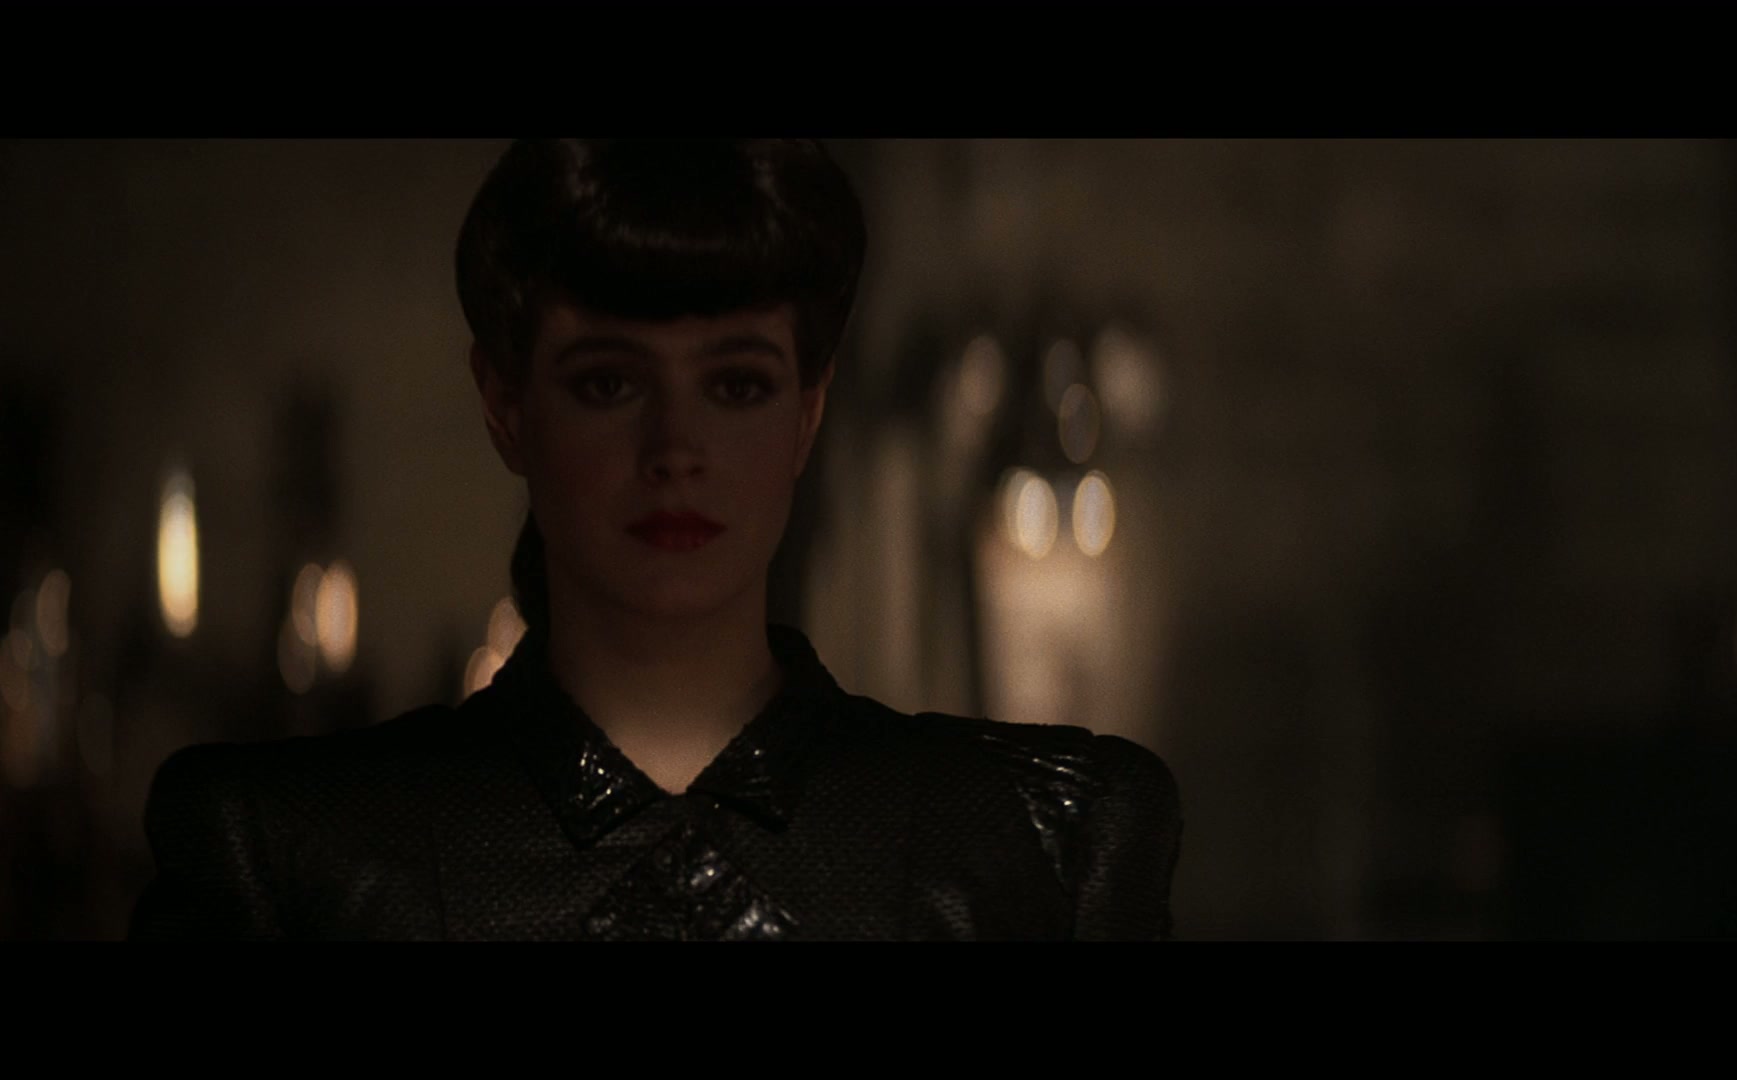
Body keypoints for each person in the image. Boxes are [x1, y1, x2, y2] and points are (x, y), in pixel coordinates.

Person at [128, 139, 1182, 940]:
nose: (676, 448)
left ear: (808, 410)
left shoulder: (1044, 841)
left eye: (736, 385)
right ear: (505, 404)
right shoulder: (283, 856)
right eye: (608, 384)